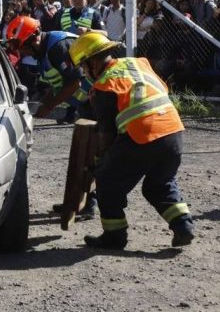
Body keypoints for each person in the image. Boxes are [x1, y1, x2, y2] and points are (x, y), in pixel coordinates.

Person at [68, 32, 195, 249]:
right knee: (160, 184)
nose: (85, 73)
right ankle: (183, 226)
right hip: (173, 132)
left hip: (143, 136)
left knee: (107, 182)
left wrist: (100, 162)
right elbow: (161, 89)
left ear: (93, 62)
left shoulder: (104, 85)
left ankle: (114, 237)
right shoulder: (139, 63)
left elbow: (106, 134)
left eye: (84, 66)